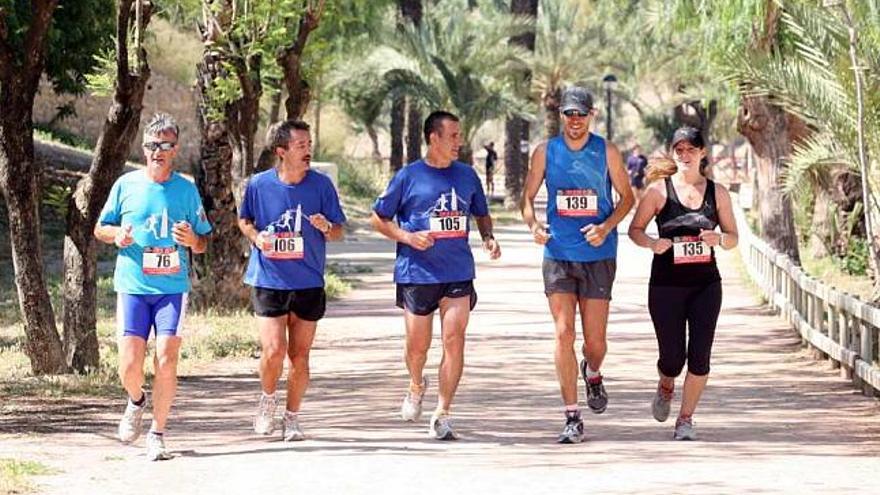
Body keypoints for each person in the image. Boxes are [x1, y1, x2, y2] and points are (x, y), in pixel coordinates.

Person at [371, 110, 501, 440]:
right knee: (417, 348)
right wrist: (407, 237)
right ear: (434, 138)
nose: (459, 141)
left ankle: (443, 412)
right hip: (416, 272)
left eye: (460, 135)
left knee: (455, 339)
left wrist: (488, 238)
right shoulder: (408, 177)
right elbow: (378, 218)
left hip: (457, 271)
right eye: (453, 136)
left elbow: (481, 214)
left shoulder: (467, 175)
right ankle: (416, 384)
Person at [95, 113, 213, 461]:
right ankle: (136, 401)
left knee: (166, 357)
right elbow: (101, 227)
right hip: (133, 285)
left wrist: (193, 239)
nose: (158, 151)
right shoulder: (125, 185)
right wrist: (117, 235)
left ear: (175, 149)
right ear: (144, 148)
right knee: (129, 366)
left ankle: (157, 433)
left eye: (165, 145)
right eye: (152, 145)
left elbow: (204, 241)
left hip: (172, 289)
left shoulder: (186, 190)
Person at [521, 86, 634, 444]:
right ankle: (572, 415)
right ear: (561, 116)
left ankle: (594, 370)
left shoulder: (606, 151)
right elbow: (526, 199)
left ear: (592, 115)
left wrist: (605, 226)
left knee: (595, 342)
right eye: (569, 114)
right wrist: (535, 226)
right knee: (563, 333)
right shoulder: (545, 152)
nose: (574, 121)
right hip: (558, 255)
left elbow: (627, 198)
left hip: (598, 256)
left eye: (580, 114)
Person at [627, 126, 738, 440]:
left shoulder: (718, 193)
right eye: (680, 150)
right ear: (673, 153)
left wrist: (720, 238)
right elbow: (635, 229)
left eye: (692, 149)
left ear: (703, 153)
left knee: (700, 357)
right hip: (666, 286)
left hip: (705, 285)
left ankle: (685, 419)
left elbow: (733, 239)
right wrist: (651, 243)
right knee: (673, 358)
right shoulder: (659, 192)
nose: (686, 155)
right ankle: (666, 383)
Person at [238, 119, 346, 442]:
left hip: (308, 281)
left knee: (299, 357)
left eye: (309, 144)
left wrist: (327, 226)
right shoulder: (258, 185)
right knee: (273, 350)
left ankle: (293, 417)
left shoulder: (322, 186)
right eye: (301, 145)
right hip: (269, 278)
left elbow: (339, 231)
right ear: (281, 151)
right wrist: (257, 238)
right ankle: (268, 399)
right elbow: (244, 220)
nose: (308, 150)